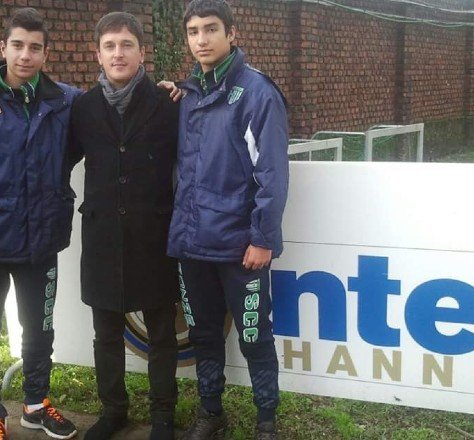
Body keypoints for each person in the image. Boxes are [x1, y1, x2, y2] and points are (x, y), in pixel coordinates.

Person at [0, 7, 81, 440]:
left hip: (41, 243)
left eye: (35, 48)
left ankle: (36, 404)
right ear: (2, 47)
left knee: (40, 330)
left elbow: (114, 105)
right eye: (18, 45)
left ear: (45, 53)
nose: (26, 55)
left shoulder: (65, 102)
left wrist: (167, 91)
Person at [167, 1, 290, 439]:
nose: (201, 39)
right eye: (193, 31)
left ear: (231, 33)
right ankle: (211, 413)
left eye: (211, 29)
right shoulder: (186, 95)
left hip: (242, 247)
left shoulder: (257, 92)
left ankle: (266, 421)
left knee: (254, 336)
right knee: (203, 336)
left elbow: (272, 173)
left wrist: (263, 238)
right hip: (192, 243)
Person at [68, 12, 180, 440]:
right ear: (97, 54)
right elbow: (58, 161)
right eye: (110, 46)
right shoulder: (82, 108)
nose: (118, 53)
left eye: (126, 45)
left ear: (142, 52)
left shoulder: (168, 103)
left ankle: (163, 415)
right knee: (106, 334)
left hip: (153, 237)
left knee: (161, 333)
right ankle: (113, 410)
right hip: (102, 238)